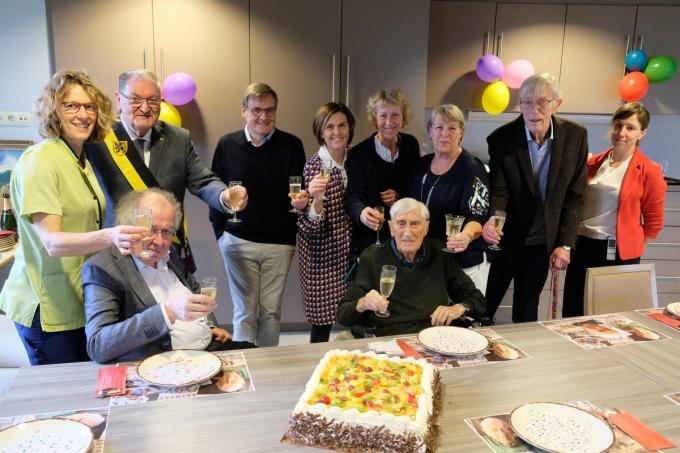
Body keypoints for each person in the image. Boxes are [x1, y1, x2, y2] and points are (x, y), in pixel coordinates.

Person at [0, 69, 146, 365]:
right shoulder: (40, 160)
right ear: (53, 110)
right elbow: (52, 242)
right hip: (47, 306)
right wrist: (112, 235)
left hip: (77, 296)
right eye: (71, 106)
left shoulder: (81, 159)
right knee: (61, 395)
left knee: (85, 382)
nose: (83, 114)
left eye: (89, 106)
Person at [86, 70, 246, 269]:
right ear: (119, 99)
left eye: (153, 100)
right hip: (118, 255)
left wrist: (224, 195)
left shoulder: (178, 138)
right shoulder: (97, 140)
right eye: (136, 99)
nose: (145, 108)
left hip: (165, 254)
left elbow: (203, 180)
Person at [82, 188, 254, 364]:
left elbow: (192, 288)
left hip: (206, 349)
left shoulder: (170, 251)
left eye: (167, 231)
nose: (159, 241)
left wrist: (209, 324)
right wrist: (167, 312)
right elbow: (98, 346)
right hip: (163, 363)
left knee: (257, 357)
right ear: (128, 226)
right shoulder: (103, 267)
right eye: (150, 229)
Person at [482, 73, 588, 323]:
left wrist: (565, 244)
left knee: (526, 314)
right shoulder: (501, 139)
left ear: (557, 104)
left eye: (542, 102)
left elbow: (576, 195)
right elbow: (500, 190)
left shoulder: (575, 136)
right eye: (526, 102)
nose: (533, 110)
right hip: (505, 241)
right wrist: (493, 222)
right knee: (483, 307)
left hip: (542, 245)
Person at [210, 83, 306, 347]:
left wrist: (301, 204)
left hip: (279, 244)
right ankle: (244, 368)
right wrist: (221, 235)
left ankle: (267, 368)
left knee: (271, 312)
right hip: (238, 241)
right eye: (256, 110)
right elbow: (214, 191)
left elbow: (301, 195)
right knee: (244, 312)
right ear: (244, 111)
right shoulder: (227, 144)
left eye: (270, 110)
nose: (263, 116)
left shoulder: (292, 145)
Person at [562, 103, 666, 317]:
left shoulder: (649, 170)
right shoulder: (593, 162)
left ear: (642, 133)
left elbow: (654, 223)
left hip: (618, 252)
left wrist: (630, 246)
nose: (622, 133)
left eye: (630, 127)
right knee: (573, 311)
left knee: (610, 317)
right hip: (582, 246)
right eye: (618, 125)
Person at [337, 198, 485, 337]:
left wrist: (457, 309)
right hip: (390, 340)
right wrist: (363, 303)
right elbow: (343, 315)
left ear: (426, 227)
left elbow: (477, 300)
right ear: (391, 227)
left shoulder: (440, 252)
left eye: (415, 224)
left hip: (434, 337)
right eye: (401, 223)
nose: (408, 232)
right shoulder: (373, 256)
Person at [408, 104, 490, 293]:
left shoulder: (472, 169)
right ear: (430, 131)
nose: (445, 134)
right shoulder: (420, 166)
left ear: (461, 133)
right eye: (439, 127)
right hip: (428, 259)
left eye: (452, 128)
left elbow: (477, 217)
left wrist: (466, 236)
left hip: (464, 262)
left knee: (462, 318)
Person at [291, 103, 355, 343]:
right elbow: (309, 225)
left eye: (342, 125)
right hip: (322, 258)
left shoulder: (355, 159)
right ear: (320, 131)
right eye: (330, 127)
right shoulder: (314, 166)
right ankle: (317, 370)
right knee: (322, 324)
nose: (337, 132)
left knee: (358, 315)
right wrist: (316, 199)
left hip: (352, 253)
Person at [344, 89, 421, 257]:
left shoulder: (411, 145)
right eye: (383, 115)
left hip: (404, 238)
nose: (389, 122)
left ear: (403, 117)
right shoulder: (359, 153)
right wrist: (362, 213)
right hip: (370, 242)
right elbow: (352, 197)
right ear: (375, 118)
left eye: (395, 115)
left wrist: (399, 197)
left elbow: (416, 188)